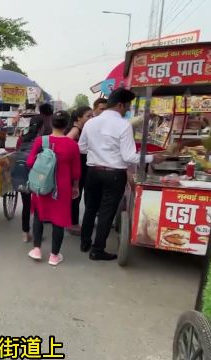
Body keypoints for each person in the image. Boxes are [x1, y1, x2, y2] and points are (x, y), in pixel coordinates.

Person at [79, 88, 165, 261]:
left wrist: (97, 151)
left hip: (93, 172)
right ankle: (97, 250)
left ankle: (85, 242)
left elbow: (81, 147)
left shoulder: (91, 123)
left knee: (90, 209)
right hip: (114, 175)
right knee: (106, 212)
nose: (127, 110)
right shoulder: (123, 125)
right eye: (127, 107)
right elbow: (128, 156)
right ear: (120, 105)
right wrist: (152, 158)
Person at [26, 110, 81, 266]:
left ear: (51, 123)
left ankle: (37, 249)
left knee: (39, 215)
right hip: (62, 188)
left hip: (41, 184)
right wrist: (75, 187)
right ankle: (54, 256)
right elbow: (76, 171)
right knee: (59, 221)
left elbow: (30, 163)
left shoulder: (40, 141)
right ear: (66, 125)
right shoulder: (72, 145)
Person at [14, 116, 45, 243]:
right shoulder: (42, 140)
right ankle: (37, 234)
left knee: (26, 205)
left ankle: (25, 234)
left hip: (22, 173)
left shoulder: (21, 138)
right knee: (39, 204)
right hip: (37, 174)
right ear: (41, 127)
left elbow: (16, 152)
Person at [66, 106, 93, 235]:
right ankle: (73, 224)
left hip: (81, 165)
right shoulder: (76, 129)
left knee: (76, 194)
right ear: (79, 118)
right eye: (88, 116)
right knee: (75, 194)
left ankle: (72, 222)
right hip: (77, 166)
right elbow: (66, 142)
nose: (91, 118)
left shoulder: (82, 129)